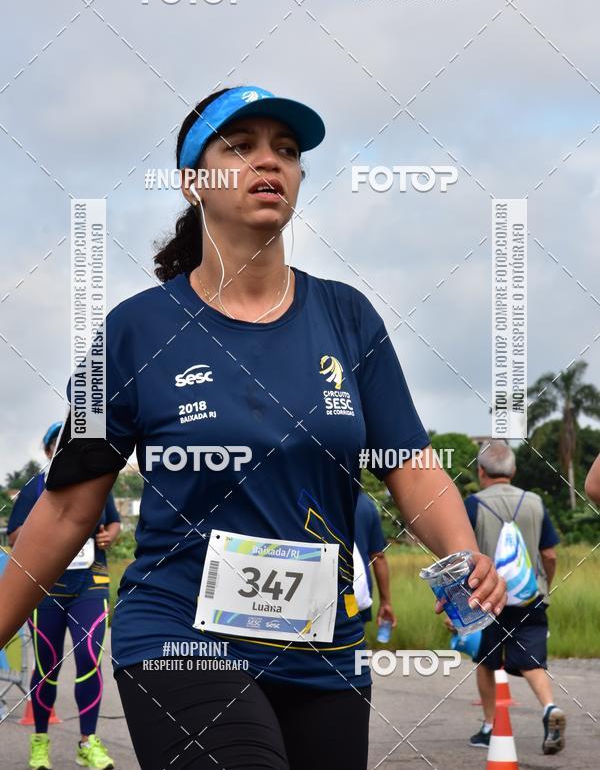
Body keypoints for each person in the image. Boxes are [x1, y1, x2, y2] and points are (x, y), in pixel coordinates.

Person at [0, 85, 507, 770]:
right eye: (240, 147)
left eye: (287, 150)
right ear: (192, 183)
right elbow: (65, 508)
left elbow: (411, 465)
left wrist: (463, 553)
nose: (270, 161)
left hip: (324, 650)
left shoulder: (348, 317)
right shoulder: (128, 332)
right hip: (179, 636)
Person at [6, 422, 121, 770]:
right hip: (45, 588)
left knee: (89, 659)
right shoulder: (35, 487)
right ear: (47, 451)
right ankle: (40, 741)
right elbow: (14, 537)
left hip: (90, 583)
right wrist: (53, 525)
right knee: (46, 667)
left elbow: (114, 522)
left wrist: (110, 534)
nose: (64, 446)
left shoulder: (97, 480)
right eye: (57, 443)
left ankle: (88, 742)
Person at [463, 440, 565, 755]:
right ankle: (549, 708)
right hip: (530, 597)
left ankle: (490, 727)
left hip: (487, 599)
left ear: (481, 471)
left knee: (486, 661)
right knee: (533, 661)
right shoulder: (535, 502)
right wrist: (545, 584)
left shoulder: (473, 504)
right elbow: (549, 554)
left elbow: (462, 557)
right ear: (514, 469)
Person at [354, 491, 395, 631]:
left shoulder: (317, 496)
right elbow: (378, 557)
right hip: (358, 592)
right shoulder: (367, 505)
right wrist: (385, 602)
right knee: (352, 640)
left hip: (316, 591)